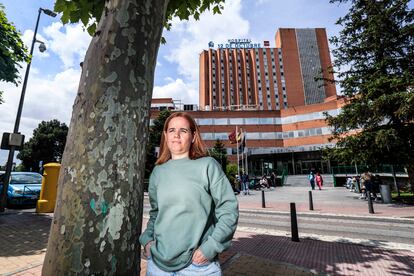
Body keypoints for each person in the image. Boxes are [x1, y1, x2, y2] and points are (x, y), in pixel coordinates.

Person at [139, 112, 239, 275]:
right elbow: (156, 213)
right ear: (165, 135)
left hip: (197, 267)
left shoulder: (208, 166)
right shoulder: (158, 172)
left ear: (193, 136)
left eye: (183, 131)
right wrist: (147, 241)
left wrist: (209, 249)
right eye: (171, 130)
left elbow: (229, 210)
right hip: (158, 265)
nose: (176, 135)